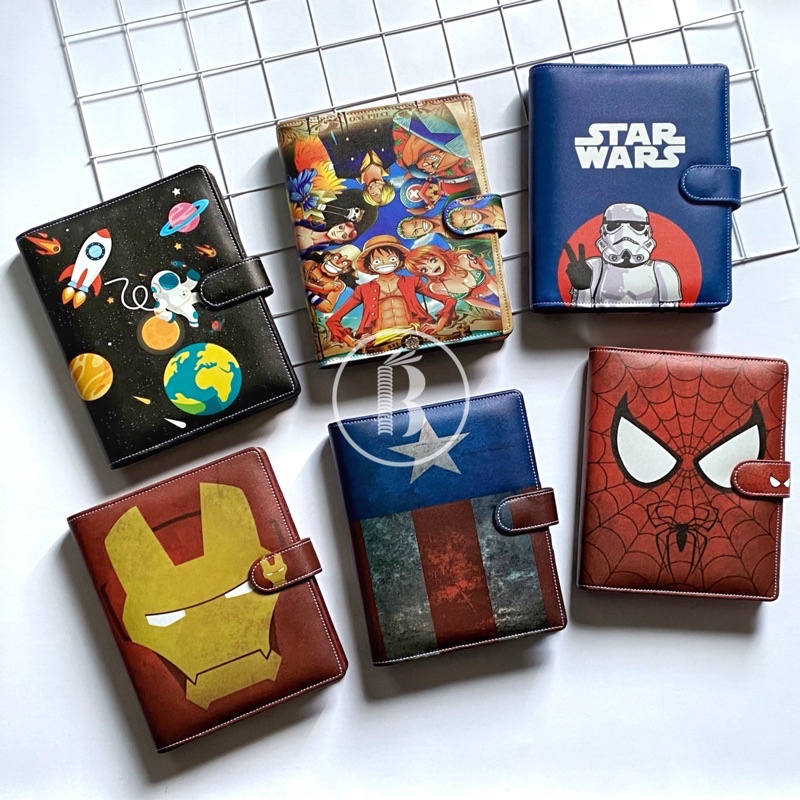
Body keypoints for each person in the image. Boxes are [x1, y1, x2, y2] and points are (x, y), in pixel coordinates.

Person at [324, 235, 456, 347]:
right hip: (379, 339)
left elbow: (449, 300)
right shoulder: (363, 290)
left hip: (415, 332)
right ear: (370, 265)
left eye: (391, 259)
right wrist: (353, 342)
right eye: (377, 261)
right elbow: (332, 320)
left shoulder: (412, 281)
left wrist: (439, 325)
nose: (384, 263)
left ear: (399, 261)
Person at [565, 202, 682, 307]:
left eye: (637, 226)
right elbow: (581, 310)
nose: (624, 233)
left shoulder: (662, 270)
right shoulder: (593, 267)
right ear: (603, 232)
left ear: (648, 232)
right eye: (614, 226)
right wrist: (582, 288)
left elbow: (671, 314)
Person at [405, 244, 499, 312]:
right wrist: (497, 309)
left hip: (499, 288)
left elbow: (489, 281)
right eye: (424, 269)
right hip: (489, 301)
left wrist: (504, 303)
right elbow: (470, 300)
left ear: (439, 255)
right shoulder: (436, 287)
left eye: (432, 260)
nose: (431, 268)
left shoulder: (464, 259)